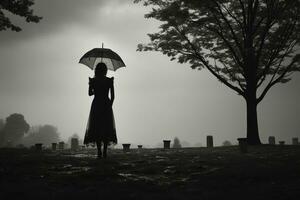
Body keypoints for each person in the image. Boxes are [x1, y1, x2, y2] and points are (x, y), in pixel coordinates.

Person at [84, 62, 117, 158]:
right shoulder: (109, 81)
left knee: (97, 127)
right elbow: (113, 96)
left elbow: (90, 93)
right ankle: (105, 151)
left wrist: (92, 85)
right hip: (106, 104)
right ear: (105, 70)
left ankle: (99, 151)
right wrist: (109, 106)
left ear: (96, 70)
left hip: (96, 104)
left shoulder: (93, 80)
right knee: (106, 127)